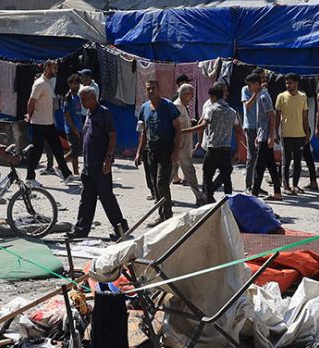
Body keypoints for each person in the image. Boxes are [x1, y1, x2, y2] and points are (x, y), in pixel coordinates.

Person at [69, 86, 128, 240]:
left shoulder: (104, 113)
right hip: (88, 165)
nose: (81, 103)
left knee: (107, 198)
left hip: (101, 165)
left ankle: (121, 228)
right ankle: (81, 230)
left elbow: (112, 136)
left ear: (93, 98)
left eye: (84, 100)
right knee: (86, 199)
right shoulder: (89, 113)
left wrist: (108, 159)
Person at [186, 82, 242, 203]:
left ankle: (208, 200)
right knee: (227, 178)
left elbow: (202, 126)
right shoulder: (232, 111)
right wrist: (238, 150)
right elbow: (238, 131)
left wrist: (184, 131)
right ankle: (228, 202)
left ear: (214, 97)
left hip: (213, 149)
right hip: (226, 150)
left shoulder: (211, 109)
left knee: (207, 177)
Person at [135, 79, 182, 220]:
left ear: (158, 89)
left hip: (166, 150)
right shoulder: (144, 108)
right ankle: (161, 215)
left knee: (162, 182)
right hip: (151, 150)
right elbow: (144, 131)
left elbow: (178, 130)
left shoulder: (168, 106)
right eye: (148, 89)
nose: (151, 91)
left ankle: (167, 215)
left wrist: (176, 152)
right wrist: (139, 152)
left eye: (153, 88)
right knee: (154, 184)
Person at [25, 59, 73, 183]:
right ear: (46, 68)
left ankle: (66, 174)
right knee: (37, 152)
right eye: (54, 68)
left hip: (49, 123)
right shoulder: (40, 83)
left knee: (57, 149)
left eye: (56, 68)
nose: (56, 71)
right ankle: (30, 178)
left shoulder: (48, 83)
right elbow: (31, 102)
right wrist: (29, 116)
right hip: (39, 123)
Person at [242, 72, 283, 199]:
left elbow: (272, 116)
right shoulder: (260, 94)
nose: (249, 88)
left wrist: (271, 136)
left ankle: (254, 193)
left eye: (250, 86)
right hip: (262, 135)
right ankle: (277, 192)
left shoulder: (263, 96)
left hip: (265, 137)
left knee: (259, 166)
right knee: (270, 165)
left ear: (256, 84)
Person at [275, 73, 312, 195]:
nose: (288, 85)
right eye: (286, 83)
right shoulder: (281, 96)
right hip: (286, 134)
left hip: (299, 134)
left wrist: (307, 134)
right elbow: (277, 116)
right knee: (286, 162)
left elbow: (305, 117)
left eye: (290, 83)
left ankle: (295, 185)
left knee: (297, 162)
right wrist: (275, 132)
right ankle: (286, 186)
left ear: (296, 83)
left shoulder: (302, 96)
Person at [62, 73, 85, 177]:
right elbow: (66, 115)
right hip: (71, 129)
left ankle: (76, 172)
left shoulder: (77, 96)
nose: (76, 86)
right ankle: (59, 165)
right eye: (74, 84)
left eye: (78, 84)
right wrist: (74, 128)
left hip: (78, 127)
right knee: (76, 150)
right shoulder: (68, 97)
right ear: (69, 85)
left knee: (75, 151)